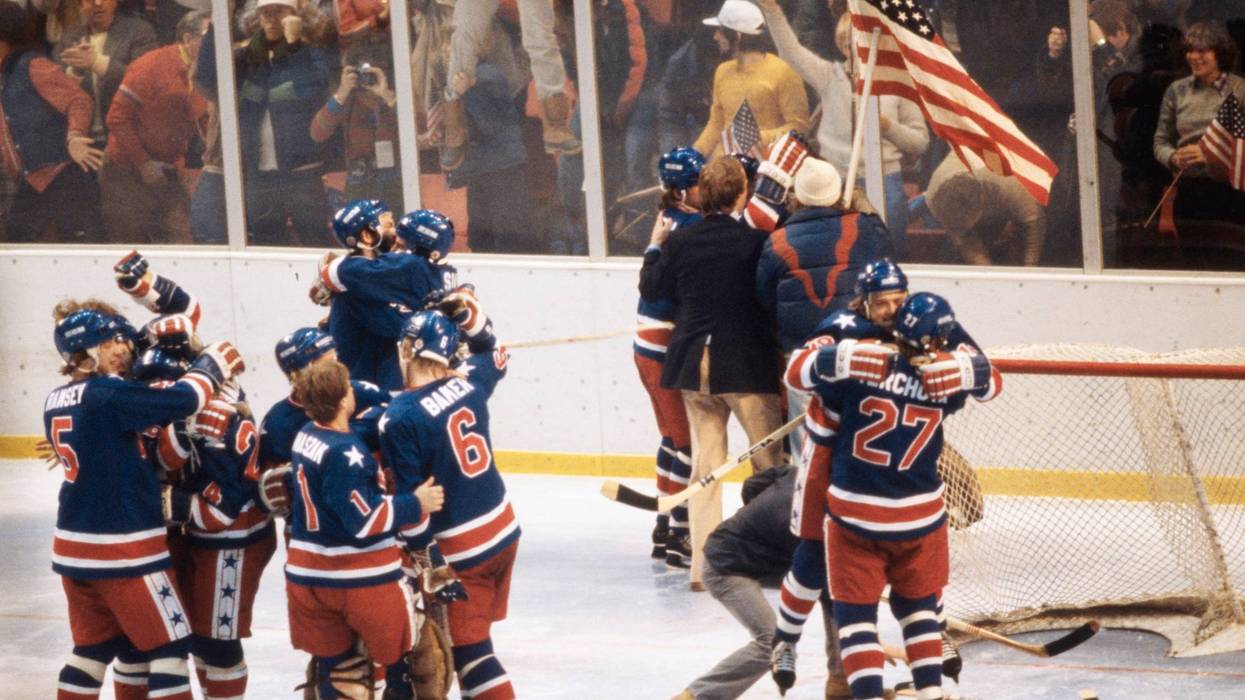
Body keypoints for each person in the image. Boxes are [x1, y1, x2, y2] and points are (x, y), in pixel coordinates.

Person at [783, 291, 1001, 700]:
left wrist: (839, 361)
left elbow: (799, 378)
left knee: (855, 619)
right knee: (919, 606)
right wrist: (966, 370)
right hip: (919, 513)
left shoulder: (858, 366)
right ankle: (931, 688)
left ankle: (805, 652)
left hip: (855, 510)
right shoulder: (947, 389)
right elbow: (988, 382)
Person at [45, 303, 244, 700]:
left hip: (73, 550)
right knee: (170, 649)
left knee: (92, 650)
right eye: (108, 342)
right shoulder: (108, 394)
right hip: (123, 550)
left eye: (121, 339)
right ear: (85, 353)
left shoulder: (54, 398)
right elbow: (185, 400)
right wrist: (213, 362)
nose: (121, 348)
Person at [639, 156, 786, 590]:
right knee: (767, 466)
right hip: (743, 364)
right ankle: (768, 559)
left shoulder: (680, 241)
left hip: (691, 364)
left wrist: (654, 245)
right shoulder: (755, 242)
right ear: (742, 194)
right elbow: (768, 299)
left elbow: (651, 289)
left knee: (706, 465)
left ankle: (704, 570)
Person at [285, 358, 445, 699]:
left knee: (334, 669)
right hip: (360, 580)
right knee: (408, 651)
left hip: (305, 576)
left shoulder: (305, 435)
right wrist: (417, 502)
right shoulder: (347, 453)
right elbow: (364, 521)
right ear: (343, 400)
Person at [380, 309, 520, 700]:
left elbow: (413, 508)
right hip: (504, 531)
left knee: (473, 655)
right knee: (472, 640)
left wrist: (432, 564)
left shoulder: (399, 417)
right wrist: (476, 320)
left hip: (464, 551)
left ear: (408, 348)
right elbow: (495, 353)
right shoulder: (470, 384)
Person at [758, 2, 928, 250]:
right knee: (835, 251)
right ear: (841, 46)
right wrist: (772, 11)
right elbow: (791, 51)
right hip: (835, 181)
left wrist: (888, 126)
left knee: (891, 250)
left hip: (884, 180)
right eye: (847, 43)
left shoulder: (897, 82)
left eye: (859, 41)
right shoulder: (829, 76)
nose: (853, 49)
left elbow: (920, 142)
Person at [671, 465, 847, 700]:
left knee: (833, 590)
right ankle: (695, 696)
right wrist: (857, 634)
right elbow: (819, 580)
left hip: (754, 555)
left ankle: (840, 683)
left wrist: (755, 522)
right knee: (772, 642)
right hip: (724, 567)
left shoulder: (799, 471)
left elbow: (752, 485)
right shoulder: (806, 526)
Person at [755, 157, 894, 453]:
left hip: (804, 355)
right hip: (859, 350)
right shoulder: (865, 228)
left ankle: (804, 498)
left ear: (799, 196)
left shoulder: (776, 241)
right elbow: (888, 256)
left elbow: (764, 301)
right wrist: (864, 207)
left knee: (806, 450)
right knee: (858, 444)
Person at [161, 381, 276, 700]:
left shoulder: (214, 429)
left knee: (217, 641)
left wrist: (164, 501)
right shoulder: (215, 395)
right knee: (202, 635)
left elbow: (220, 512)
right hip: (216, 539)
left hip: (231, 542)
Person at [637, 146, 704, 566]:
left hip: (645, 346)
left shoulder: (666, 221)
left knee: (670, 440)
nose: (705, 187)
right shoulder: (691, 226)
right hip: (663, 348)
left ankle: (664, 526)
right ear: (681, 188)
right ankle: (678, 529)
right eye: (698, 181)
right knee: (685, 445)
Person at [311, 201, 455, 391]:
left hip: (378, 385)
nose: (395, 233)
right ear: (367, 235)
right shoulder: (360, 289)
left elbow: (336, 272)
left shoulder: (402, 271)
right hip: (365, 390)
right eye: (388, 225)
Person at [100, 10, 210, 244]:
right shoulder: (150, 65)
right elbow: (116, 118)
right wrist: (144, 163)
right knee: (129, 253)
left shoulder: (208, 72)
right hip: (125, 170)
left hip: (168, 170)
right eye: (209, 37)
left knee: (182, 242)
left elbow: (204, 122)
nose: (217, 45)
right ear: (188, 38)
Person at [0, 2, 103, 242]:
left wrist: (75, 136)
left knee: (84, 245)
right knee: (17, 240)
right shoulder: (6, 73)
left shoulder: (33, 65)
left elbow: (79, 100)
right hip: (34, 179)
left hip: (63, 175)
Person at [234, 0, 331, 246]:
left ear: (296, 16)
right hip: (260, 173)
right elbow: (208, 78)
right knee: (265, 246)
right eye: (265, 12)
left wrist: (294, 45)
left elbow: (311, 89)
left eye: (279, 12)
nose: (272, 18)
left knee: (315, 244)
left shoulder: (311, 54)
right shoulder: (246, 56)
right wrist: (215, 22)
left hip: (303, 172)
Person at [1152, 20, 1245, 270]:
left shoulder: (1240, 90)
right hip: (1189, 194)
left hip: (1232, 195)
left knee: (1230, 268)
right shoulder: (1176, 91)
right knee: (1194, 267)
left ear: (1220, 52)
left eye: (1202, 50)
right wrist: (1173, 157)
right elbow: (1160, 141)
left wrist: (1211, 155)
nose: (1194, 56)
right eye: (1190, 50)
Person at [692, 0, 809, 161]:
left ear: (737, 35)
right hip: (726, 169)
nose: (716, 36)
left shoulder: (783, 72)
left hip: (767, 168)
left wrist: (761, 137)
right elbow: (716, 123)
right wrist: (695, 153)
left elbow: (799, 128)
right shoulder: (722, 71)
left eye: (720, 31)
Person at [310, 41, 404, 209]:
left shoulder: (398, 96)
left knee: (394, 232)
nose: (368, 76)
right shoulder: (348, 100)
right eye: (363, 71)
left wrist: (388, 96)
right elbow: (317, 133)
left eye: (374, 70)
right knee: (362, 233)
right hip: (359, 181)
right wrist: (341, 93)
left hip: (395, 181)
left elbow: (420, 131)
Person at [53, 0, 159, 145]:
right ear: (80, 5)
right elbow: (56, 91)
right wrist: (75, 72)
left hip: (127, 138)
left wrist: (97, 62)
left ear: (115, 2)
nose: (97, 3)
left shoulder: (140, 31)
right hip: (83, 139)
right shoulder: (69, 38)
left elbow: (144, 81)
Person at [924, 151, 1049, 266]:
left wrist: (1029, 269)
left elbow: (1035, 221)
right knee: (954, 253)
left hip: (1020, 170)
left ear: (983, 200)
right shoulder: (935, 200)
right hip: (981, 189)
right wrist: (987, 275)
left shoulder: (1008, 184)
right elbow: (969, 246)